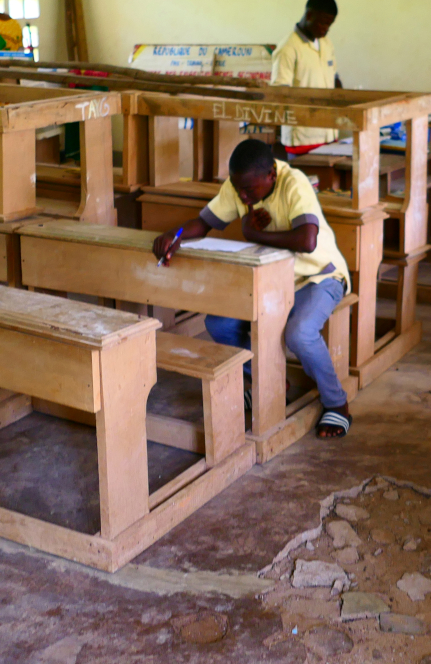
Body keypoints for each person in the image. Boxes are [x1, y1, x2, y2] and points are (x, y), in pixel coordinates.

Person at [152, 138, 354, 439]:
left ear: (271, 174)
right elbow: (204, 223)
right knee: (218, 323)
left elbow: (307, 241)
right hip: (271, 279)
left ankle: (337, 403)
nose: (243, 196)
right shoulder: (239, 187)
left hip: (319, 276)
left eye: (249, 189)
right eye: (238, 189)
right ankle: (269, 383)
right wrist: (175, 234)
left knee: (300, 333)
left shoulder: (293, 183)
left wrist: (250, 232)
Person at [270, 0, 343, 154]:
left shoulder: (326, 44)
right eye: (323, 23)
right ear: (309, 15)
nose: (326, 29)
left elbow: (335, 79)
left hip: (329, 134)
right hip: (303, 139)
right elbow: (279, 93)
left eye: (329, 25)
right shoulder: (288, 48)